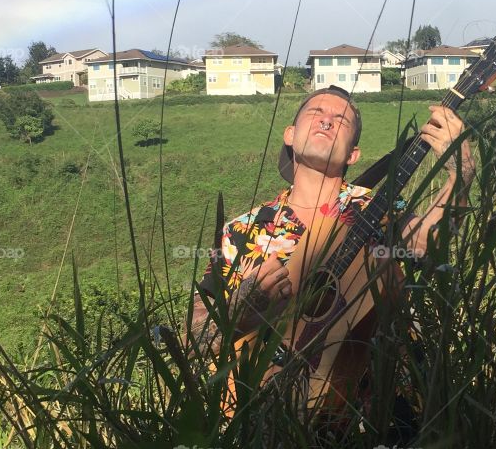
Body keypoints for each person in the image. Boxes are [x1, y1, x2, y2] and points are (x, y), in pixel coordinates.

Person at [186, 85, 474, 422]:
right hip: (270, 425)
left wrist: (461, 176)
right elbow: (194, 341)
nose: (327, 121)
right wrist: (243, 306)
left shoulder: (376, 209)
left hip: (381, 419)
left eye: (341, 120)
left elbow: (431, 247)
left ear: (352, 154)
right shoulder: (241, 233)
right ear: (290, 135)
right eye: (315, 113)